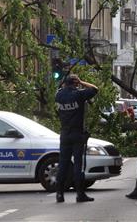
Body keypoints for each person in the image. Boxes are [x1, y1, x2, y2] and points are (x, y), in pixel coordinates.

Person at [55, 74, 98, 203]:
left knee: (63, 164)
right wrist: (82, 81)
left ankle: (59, 194)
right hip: (77, 134)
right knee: (78, 165)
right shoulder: (79, 95)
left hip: (64, 134)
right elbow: (95, 89)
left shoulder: (59, 95)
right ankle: (80, 194)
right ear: (75, 83)